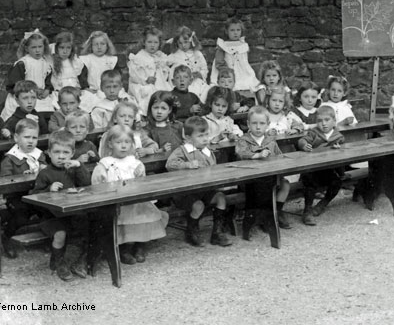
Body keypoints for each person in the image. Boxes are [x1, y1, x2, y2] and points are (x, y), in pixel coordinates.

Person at [91, 125, 168, 265]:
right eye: (119, 142)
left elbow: (142, 183)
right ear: (110, 144)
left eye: (127, 142)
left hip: (135, 200)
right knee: (123, 222)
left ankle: (140, 246)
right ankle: (123, 249)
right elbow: (97, 185)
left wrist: (139, 175)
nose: (123, 146)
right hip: (117, 201)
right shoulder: (105, 164)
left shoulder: (135, 163)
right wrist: (103, 179)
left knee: (143, 217)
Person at [30, 130, 91, 280]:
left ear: (72, 153)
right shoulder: (45, 173)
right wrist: (48, 190)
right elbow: (34, 196)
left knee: (85, 228)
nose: (61, 156)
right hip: (51, 217)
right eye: (57, 152)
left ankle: (77, 261)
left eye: (66, 152)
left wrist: (79, 166)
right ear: (49, 153)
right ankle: (58, 262)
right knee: (60, 233)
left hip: (72, 214)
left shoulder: (73, 169)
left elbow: (87, 183)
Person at [166, 116, 232, 247]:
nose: (205, 139)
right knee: (198, 205)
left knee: (221, 198)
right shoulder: (183, 150)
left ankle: (217, 233)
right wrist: (186, 165)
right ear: (188, 138)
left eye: (206, 134)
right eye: (200, 136)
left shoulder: (208, 152)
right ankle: (192, 232)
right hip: (186, 193)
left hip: (204, 190)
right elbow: (169, 164)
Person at [235, 106, 291, 234]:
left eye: (261, 123)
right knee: (263, 188)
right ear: (248, 124)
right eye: (254, 123)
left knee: (285, 184)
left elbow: (279, 156)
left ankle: (275, 213)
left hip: (271, 176)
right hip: (251, 180)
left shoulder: (270, 141)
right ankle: (264, 218)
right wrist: (257, 155)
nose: (258, 127)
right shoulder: (244, 141)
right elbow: (241, 153)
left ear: (267, 124)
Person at [0, 118, 47, 257]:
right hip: (17, 196)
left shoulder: (39, 155)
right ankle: (6, 237)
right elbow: (6, 181)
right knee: (21, 216)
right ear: (16, 138)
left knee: (48, 211)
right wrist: (22, 177)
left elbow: (47, 172)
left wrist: (44, 171)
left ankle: (48, 237)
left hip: (37, 194)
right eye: (26, 137)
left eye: (34, 138)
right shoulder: (10, 158)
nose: (30, 141)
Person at [297, 105, 345, 226]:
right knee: (310, 184)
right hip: (312, 169)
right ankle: (307, 210)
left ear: (334, 121)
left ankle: (323, 204)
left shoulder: (337, 136)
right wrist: (304, 145)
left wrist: (338, 148)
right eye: (319, 121)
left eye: (327, 120)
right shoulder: (314, 133)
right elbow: (302, 140)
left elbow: (343, 148)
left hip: (327, 170)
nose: (323, 124)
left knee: (337, 183)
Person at [1, 29, 55, 120]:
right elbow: (15, 84)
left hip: (41, 96)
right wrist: (31, 91)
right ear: (27, 48)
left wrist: (47, 90)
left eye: (40, 47)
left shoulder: (46, 63)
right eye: (33, 47)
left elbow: (48, 81)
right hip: (25, 95)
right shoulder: (23, 63)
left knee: (48, 111)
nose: (37, 50)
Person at [49, 31, 99, 113]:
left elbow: (81, 77)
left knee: (92, 98)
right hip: (60, 92)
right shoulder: (52, 63)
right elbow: (50, 81)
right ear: (56, 48)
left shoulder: (75, 62)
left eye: (68, 48)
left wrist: (83, 88)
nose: (65, 51)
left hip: (75, 91)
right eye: (62, 48)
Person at [128, 27, 172, 114]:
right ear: (144, 42)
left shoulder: (161, 56)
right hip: (143, 85)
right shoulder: (139, 57)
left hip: (159, 84)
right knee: (148, 93)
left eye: (155, 42)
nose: (152, 45)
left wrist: (162, 70)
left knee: (166, 93)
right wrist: (145, 80)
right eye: (149, 42)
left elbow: (165, 74)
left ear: (159, 43)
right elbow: (134, 76)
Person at [210, 20, 259, 92]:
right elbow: (219, 61)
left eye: (238, 30)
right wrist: (226, 72)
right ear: (227, 31)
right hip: (228, 71)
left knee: (250, 83)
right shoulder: (223, 45)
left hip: (243, 72)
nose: (235, 33)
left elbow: (244, 60)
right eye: (232, 30)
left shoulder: (243, 44)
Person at [166, 26, 211, 102]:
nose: (183, 45)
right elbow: (164, 63)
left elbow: (204, 68)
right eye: (180, 43)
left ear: (191, 41)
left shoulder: (197, 54)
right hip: (182, 83)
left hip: (196, 81)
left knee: (206, 91)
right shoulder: (174, 55)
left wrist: (200, 74)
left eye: (186, 42)